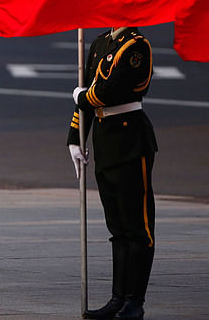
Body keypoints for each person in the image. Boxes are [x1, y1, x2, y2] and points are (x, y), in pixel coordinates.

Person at [68, 27, 157, 320]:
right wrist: (74, 136)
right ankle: (118, 298)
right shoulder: (101, 42)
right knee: (117, 228)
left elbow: (111, 89)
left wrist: (82, 97)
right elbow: (89, 88)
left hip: (130, 140)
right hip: (105, 141)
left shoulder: (136, 46)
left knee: (137, 226)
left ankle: (135, 300)